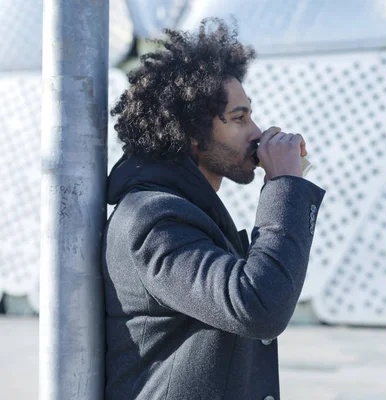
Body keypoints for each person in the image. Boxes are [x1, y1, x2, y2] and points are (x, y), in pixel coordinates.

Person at [102, 18, 325, 400]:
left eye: (250, 115)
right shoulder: (152, 219)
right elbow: (257, 305)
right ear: (191, 132)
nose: (256, 131)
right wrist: (285, 186)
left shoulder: (185, 210)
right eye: (239, 118)